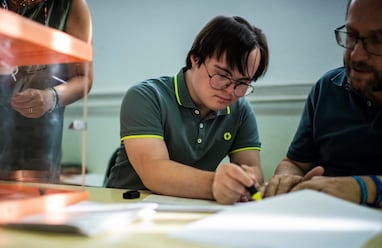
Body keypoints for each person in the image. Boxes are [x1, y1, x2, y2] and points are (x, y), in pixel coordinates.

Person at [107, 15, 269, 204]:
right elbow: (155, 172)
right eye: (222, 75)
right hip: (127, 208)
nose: (230, 90)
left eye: (242, 83)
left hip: (195, 211)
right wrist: (216, 184)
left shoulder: (240, 110)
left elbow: (253, 170)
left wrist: (245, 180)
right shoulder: (145, 97)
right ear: (195, 59)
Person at [263, 0, 382, 207]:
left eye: (377, 41)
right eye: (352, 36)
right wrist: (287, 178)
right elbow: (294, 163)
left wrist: (363, 188)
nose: (356, 54)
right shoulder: (327, 87)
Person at [0, 0, 93, 183]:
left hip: (37, 138)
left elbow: (85, 78)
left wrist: (51, 97)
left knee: (33, 200)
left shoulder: (70, 5)